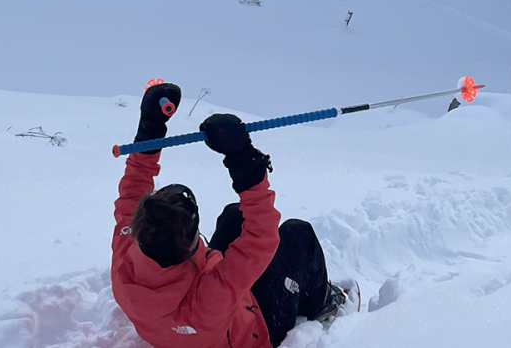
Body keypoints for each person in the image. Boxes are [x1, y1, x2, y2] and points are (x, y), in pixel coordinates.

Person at [112, 81, 350, 348]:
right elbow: (262, 236)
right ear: (191, 246)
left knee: (234, 215)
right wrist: (241, 156)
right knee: (297, 233)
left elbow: (132, 191)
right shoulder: (210, 298)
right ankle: (321, 303)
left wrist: (150, 128)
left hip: (195, 315)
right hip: (255, 326)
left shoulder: (126, 259)